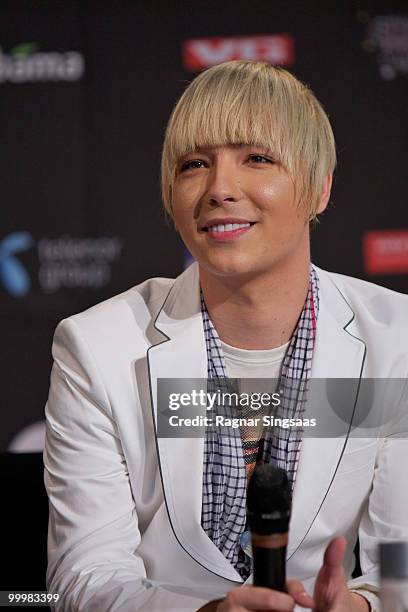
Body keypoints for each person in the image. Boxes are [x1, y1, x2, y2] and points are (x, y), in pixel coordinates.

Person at [44, 60, 408, 612]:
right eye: (195, 165)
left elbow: (400, 570)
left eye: (256, 159)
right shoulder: (96, 347)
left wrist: (356, 607)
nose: (219, 189)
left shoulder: (395, 339)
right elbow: (83, 577)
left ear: (321, 188)